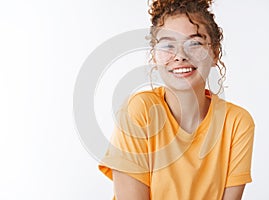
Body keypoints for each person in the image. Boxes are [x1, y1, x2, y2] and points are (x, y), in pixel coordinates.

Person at [99, 0, 255, 199]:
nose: (180, 56)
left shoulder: (237, 123)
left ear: (214, 52)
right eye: (168, 45)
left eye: (195, 43)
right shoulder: (139, 111)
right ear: (154, 56)